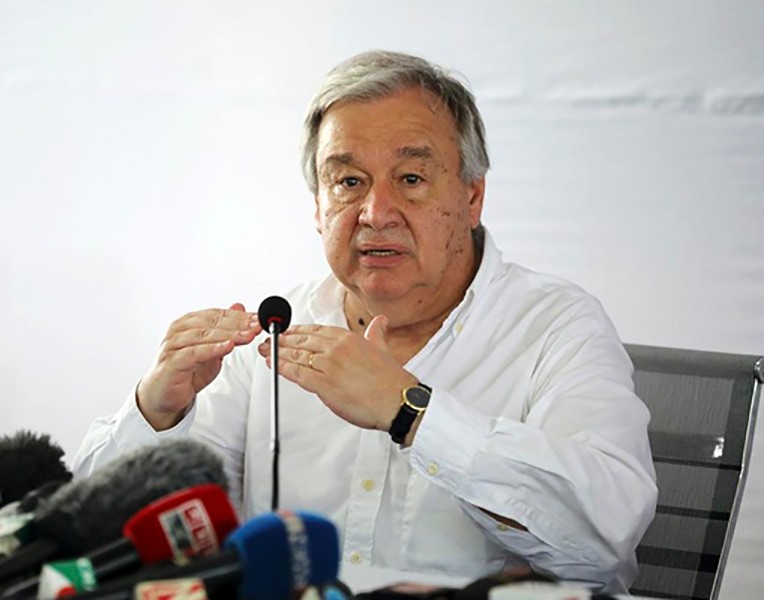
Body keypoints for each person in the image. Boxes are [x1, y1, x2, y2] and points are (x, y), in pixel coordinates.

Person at [73, 50, 657, 593]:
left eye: (411, 179)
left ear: (472, 197)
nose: (376, 214)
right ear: (318, 206)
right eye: (348, 182)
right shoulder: (271, 335)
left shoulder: (555, 326)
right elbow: (93, 540)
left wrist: (411, 412)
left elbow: (604, 547)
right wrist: (157, 411)